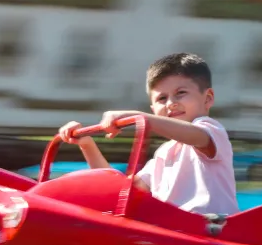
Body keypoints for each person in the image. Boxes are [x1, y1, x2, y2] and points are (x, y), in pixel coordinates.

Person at [58, 52, 239, 216]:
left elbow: (195, 136)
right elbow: (121, 191)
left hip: (212, 230)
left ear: (207, 99)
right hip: (175, 231)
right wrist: (87, 145)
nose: (170, 104)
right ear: (153, 109)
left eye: (181, 93)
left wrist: (136, 116)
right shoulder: (165, 152)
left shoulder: (211, 130)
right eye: (162, 98)